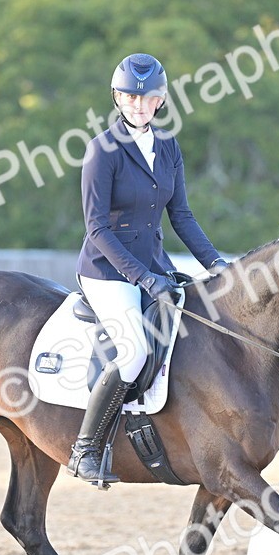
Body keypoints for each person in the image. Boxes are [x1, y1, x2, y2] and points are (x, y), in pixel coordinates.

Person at [69, 52, 228, 485]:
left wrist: (216, 263)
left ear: (160, 100)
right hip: (107, 270)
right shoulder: (103, 151)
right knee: (135, 350)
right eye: (130, 97)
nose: (138, 104)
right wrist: (142, 277)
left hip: (155, 265)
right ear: (117, 98)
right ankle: (86, 450)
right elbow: (97, 228)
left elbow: (182, 216)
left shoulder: (169, 146)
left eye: (147, 97)